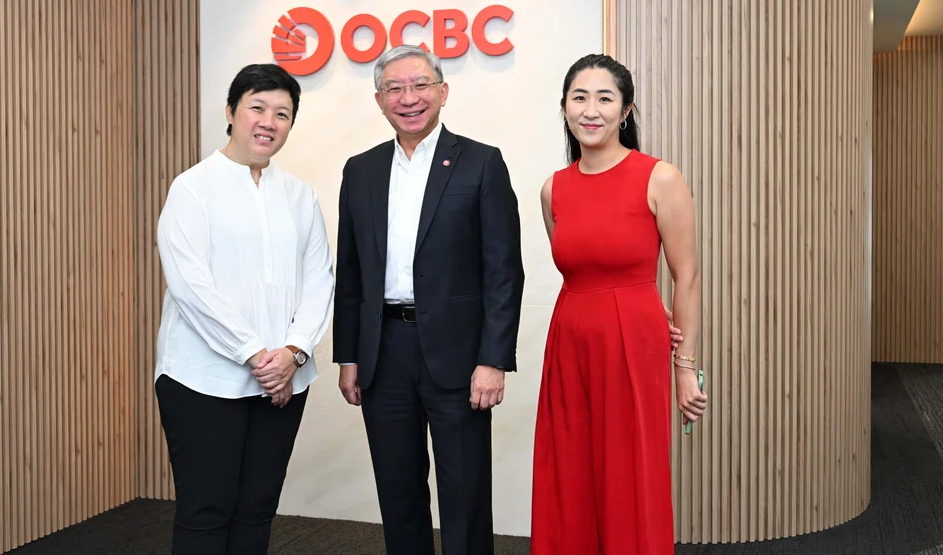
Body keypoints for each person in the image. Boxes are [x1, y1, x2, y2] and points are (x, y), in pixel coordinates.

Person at [333, 45, 524, 555]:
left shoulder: (481, 163)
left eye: (420, 85)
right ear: (379, 101)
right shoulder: (360, 170)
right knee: (397, 492)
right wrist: (349, 355)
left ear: (443, 92)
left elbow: (504, 272)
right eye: (394, 88)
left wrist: (493, 359)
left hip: (460, 355)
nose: (408, 98)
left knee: (464, 492)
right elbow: (350, 274)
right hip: (382, 352)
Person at [531, 54, 708, 554]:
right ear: (564, 108)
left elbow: (686, 277)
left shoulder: (660, 178)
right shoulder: (552, 189)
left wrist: (685, 366)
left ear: (626, 110)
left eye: (605, 98)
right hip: (569, 341)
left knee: (631, 471)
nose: (591, 110)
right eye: (579, 98)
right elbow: (579, 268)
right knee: (569, 468)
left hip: (634, 341)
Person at [153, 63, 334, 554]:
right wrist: (257, 355)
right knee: (206, 510)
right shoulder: (193, 188)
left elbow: (320, 280)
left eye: (283, 113)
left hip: (282, 381)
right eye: (257, 107)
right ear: (231, 112)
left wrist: (292, 353)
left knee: (257, 509)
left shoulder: (299, 195)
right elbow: (192, 286)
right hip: (202, 379)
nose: (269, 122)